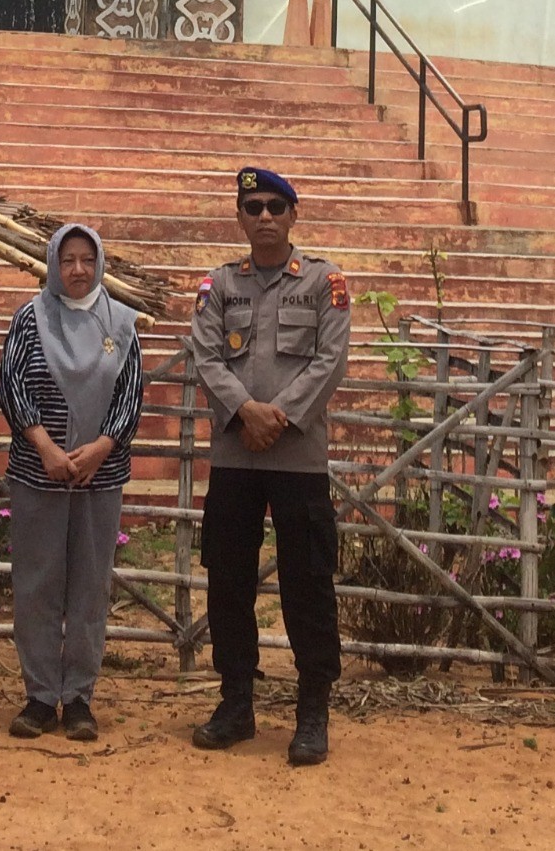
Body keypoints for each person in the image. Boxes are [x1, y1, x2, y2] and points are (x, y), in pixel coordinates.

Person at [188, 166, 351, 767]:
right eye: (252, 207)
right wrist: (244, 413)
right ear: (239, 217)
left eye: (275, 207)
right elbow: (204, 353)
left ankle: (312, 711)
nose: (264, 217)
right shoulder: (219, 285)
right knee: (227, 578)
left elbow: (331, 360)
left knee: (308, 582)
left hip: (297, 458)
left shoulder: (324, 281)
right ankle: (236, 703)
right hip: (236, 455)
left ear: (292, 215)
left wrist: (275, 417)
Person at [0, 223, 145, 741]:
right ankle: (39, 696)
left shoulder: (123, 325)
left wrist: (102, 447)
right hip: (39, 474)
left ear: (100, 262)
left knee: (88, 587)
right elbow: (12, 385)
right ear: (53, 264)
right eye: (68, 260)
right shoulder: (28, 319)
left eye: (87, 259)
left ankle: (79, 697)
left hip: (99, 480)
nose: (78, 270)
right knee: (36, 586)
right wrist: (47, 448)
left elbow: (130, 395)